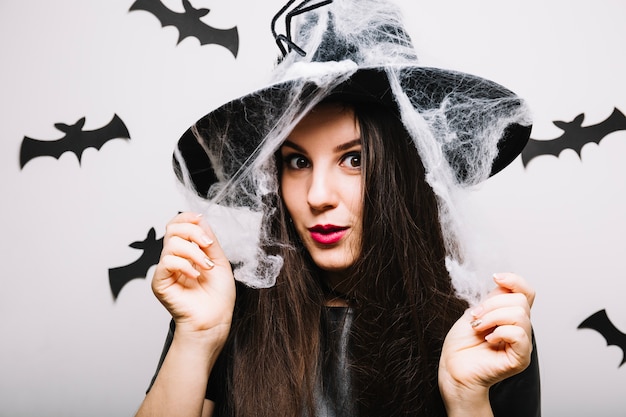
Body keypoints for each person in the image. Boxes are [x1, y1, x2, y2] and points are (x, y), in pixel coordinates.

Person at [135, 1, 540, 416]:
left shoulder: (482, 327)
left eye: (354, 159)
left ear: (406, 171)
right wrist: (197, 338)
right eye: (297, 162)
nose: (317, 196)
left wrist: (466, 397)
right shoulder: (225, 308)